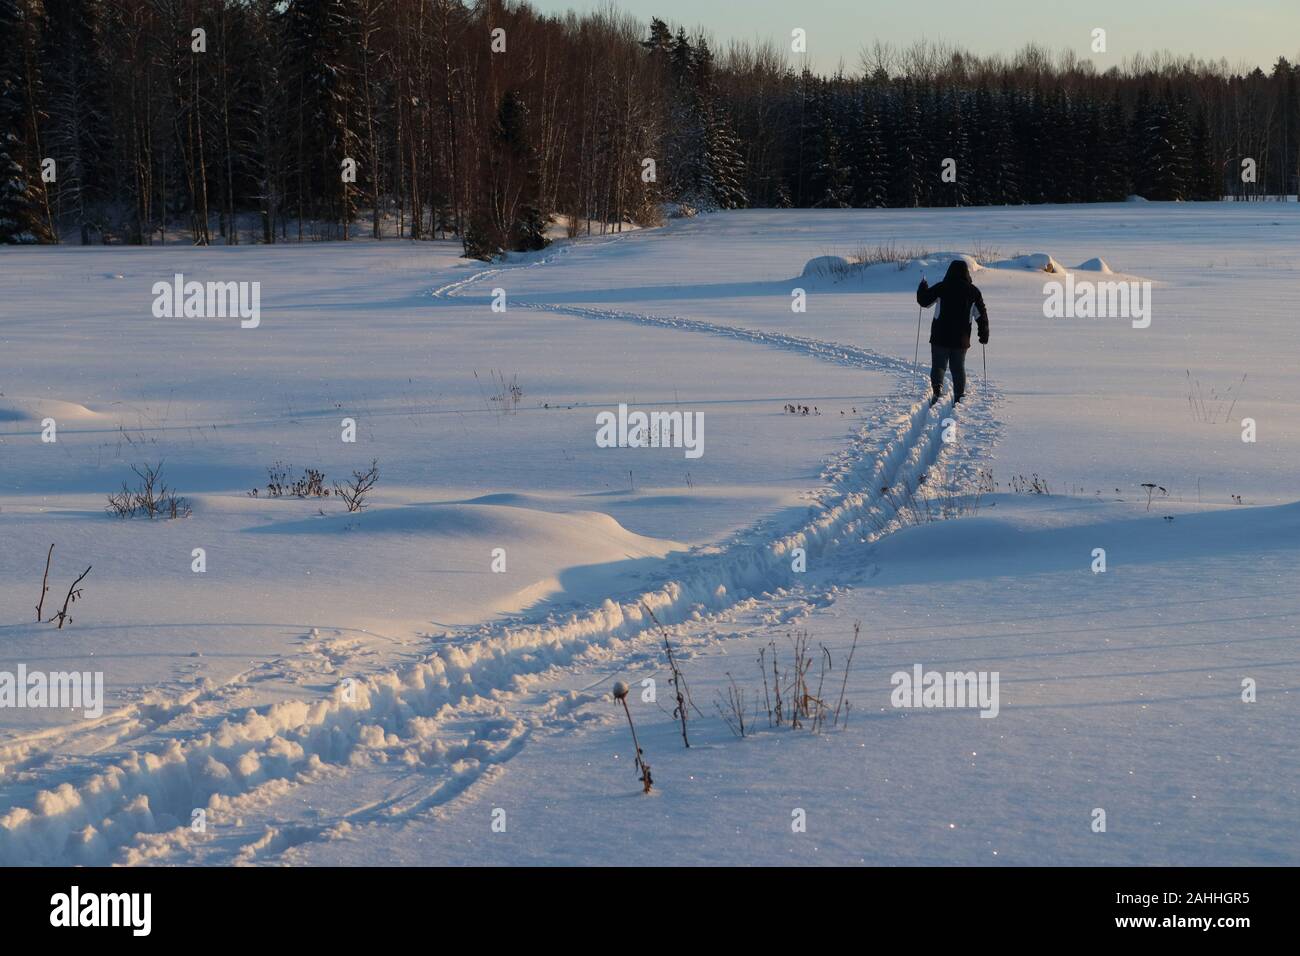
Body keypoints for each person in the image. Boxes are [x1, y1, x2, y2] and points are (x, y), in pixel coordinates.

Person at [916, 259, 989, 406]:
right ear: (966, 273)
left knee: (939, 366)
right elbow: (981, 315)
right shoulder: (973, 291)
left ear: (949, 272)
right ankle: (959, 396)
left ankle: (937, 391)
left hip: (939, 337)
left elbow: (924, 301)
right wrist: (983, 333)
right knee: (958, 367)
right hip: (961, 339)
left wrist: (922, 287)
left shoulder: (941, 287)